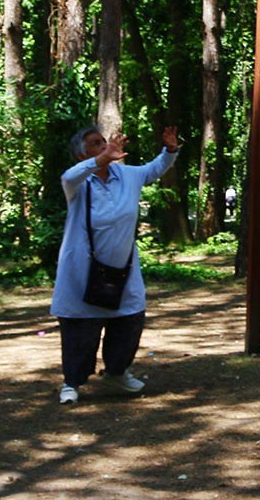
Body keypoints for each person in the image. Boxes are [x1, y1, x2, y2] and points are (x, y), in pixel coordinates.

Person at [52, 123, 181, 405]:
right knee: (80, 329)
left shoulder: (127, 175)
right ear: (82, 156)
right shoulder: (78, 183)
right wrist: (101, 159)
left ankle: (116, 373)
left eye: (104, 142)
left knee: (130, 320)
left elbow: (154, 169)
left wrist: (170, 148)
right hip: (81, 271)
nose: (105, 146)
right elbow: (68, 176)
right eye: (96, 145)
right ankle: (72, 383)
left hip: (124, 270)